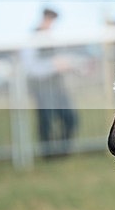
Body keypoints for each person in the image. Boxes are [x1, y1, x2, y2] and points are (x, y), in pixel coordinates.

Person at [21, 8, 77, 158]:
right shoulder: (32, 39)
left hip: (58, 86)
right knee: (46, 121)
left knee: (70, 119)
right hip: (41, 88)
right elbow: (31, 67)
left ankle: (63, 151)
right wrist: (53, 66)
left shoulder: (52, 39)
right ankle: (48, 154)